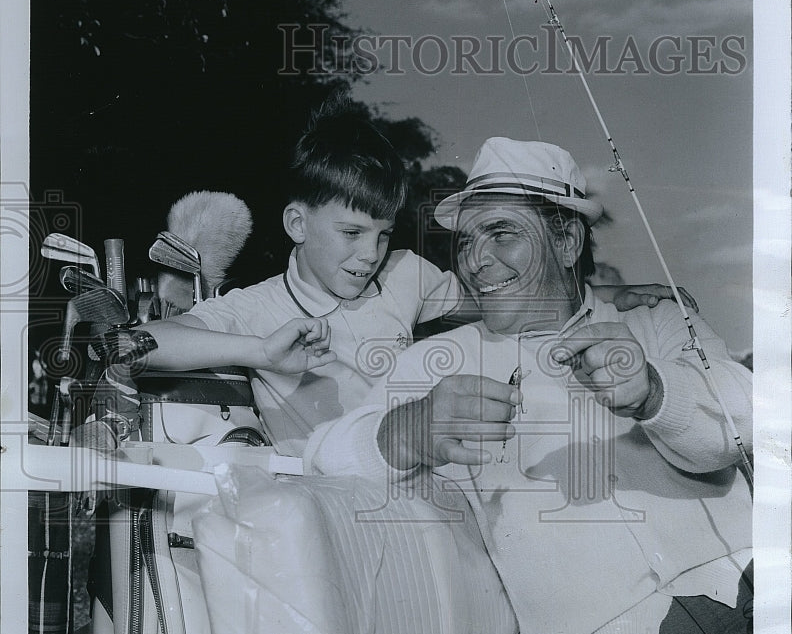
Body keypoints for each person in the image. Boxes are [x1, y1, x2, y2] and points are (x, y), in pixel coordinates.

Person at [303, 137, 754, 634]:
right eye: (465, 242)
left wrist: (651, 390)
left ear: (566, 240)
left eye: (501, 234)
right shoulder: (438, 364)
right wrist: (411, 431)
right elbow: (318, 458)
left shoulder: (654, 319)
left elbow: (736, 426)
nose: (476, 260)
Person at [139, 106, 695, 455]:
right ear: (297, 223)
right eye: (352, 233)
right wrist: (258, 351)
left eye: (382, 234)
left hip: (416, 479)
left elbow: (504, 297)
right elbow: (139, 347)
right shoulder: (257, 309)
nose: (369, 255)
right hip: (320, 495)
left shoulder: (404, 273)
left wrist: (617, 296)